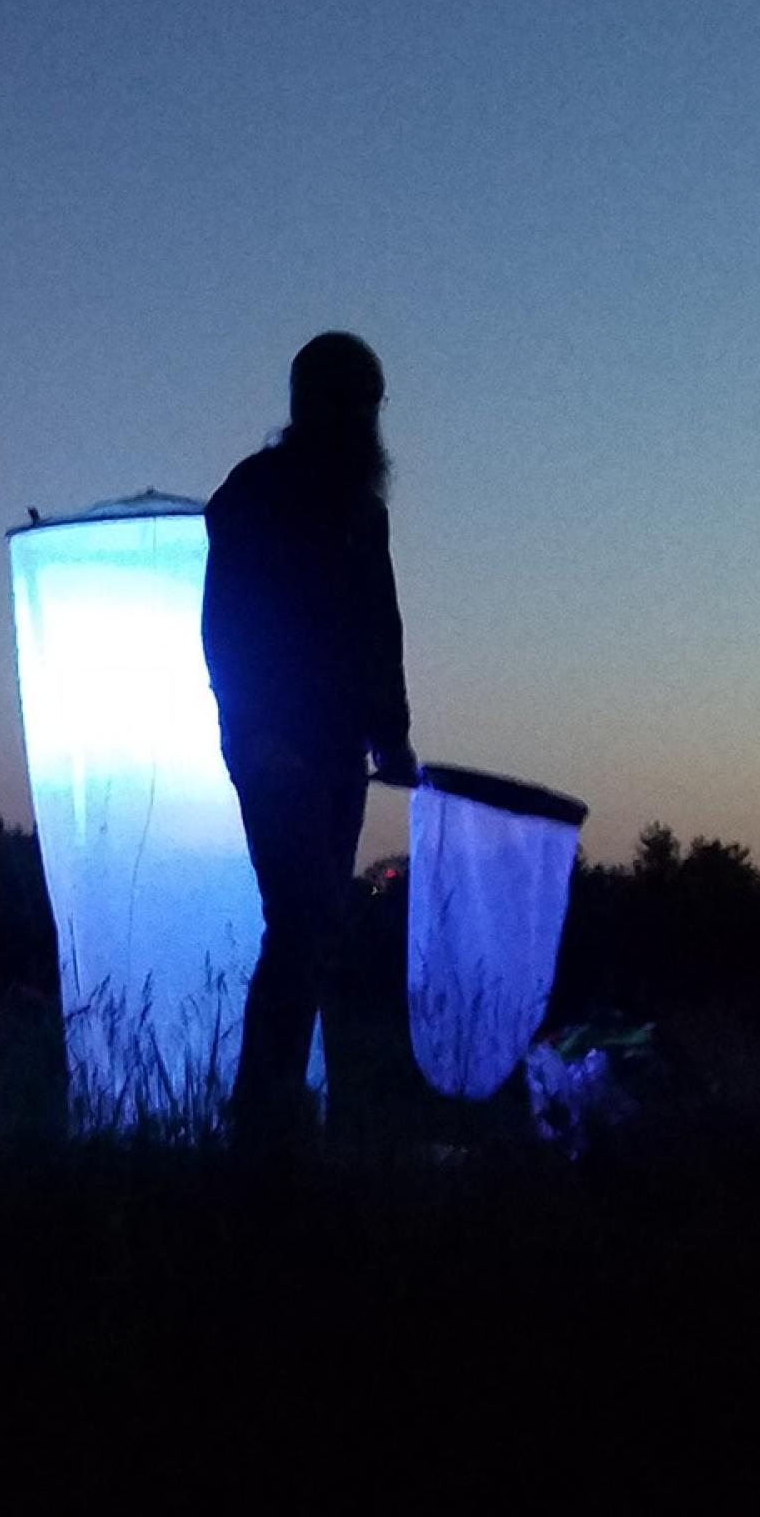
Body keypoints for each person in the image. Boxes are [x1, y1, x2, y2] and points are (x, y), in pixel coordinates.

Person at [201, 331, 416, 1144]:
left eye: (372, 405)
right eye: (349, 403)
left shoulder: (365, 514)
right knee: (305, 916)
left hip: (336, 753)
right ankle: (264, 1114)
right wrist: (257, 738)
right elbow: (229, 629)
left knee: (311, 924)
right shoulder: (252, 497)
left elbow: (379, 629)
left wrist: (389, 735)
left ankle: (277, 1113)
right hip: (276, 750)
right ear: (310, 405)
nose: (364, 421)